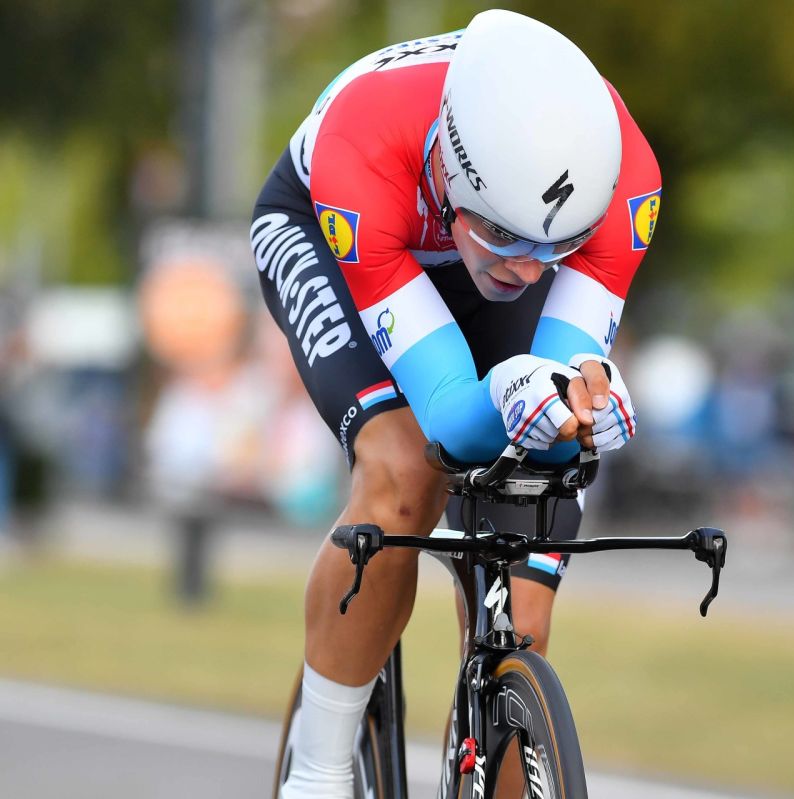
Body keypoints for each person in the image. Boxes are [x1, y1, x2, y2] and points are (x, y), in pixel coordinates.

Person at [250, 9, 660, 798]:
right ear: (448, 174)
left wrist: (580, 402)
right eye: (506, 235)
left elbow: (556, 388)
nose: (530, 270)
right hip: (335, 232)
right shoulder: (364, 149)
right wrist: (507, 389)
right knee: (405, 471)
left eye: (558, 248)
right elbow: (446, 418)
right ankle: (320, 768)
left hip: (459, 239)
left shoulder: (620, 178)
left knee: (525, 590)